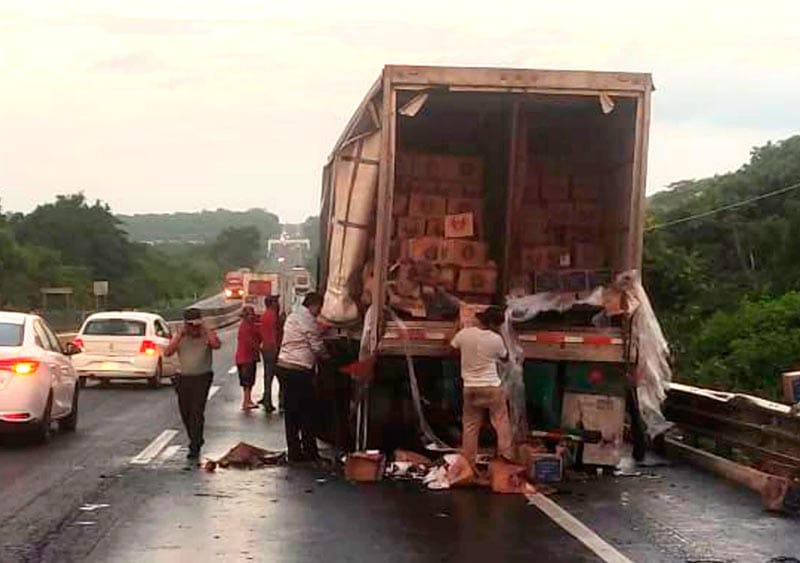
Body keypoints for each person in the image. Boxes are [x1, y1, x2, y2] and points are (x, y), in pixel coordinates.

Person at [450, 305, 514, 467]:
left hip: (470, 388)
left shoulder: (465, 334)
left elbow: (451, 349)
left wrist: (457, 328)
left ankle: (468, 465)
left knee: (470, 427)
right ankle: (505, 462)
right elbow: (505, 358)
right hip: (491, 387)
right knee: (501, 424)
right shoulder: (495, 339)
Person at [276, 292, 329, 463]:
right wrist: (329, 357)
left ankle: (294, 451)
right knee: (307, 411)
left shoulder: (294, 315)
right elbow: (317, 346)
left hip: (285, 366)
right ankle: (309, 451)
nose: (320, 311)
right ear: (314, 305)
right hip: (298, 370)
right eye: (319, 307)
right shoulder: (307, 319)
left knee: (292, 412)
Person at [165, 308, 221, 460]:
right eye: (191, 325)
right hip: (183, 377)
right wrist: (179, 336)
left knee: (196, 411)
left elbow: (216, 345)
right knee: (185, 412)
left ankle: (195, 445)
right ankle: (195, 438)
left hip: (202, 377)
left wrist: (206, 330)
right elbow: (168, 352)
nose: (194, 329)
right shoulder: (180, 336)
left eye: (196, 325)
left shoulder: (206, 335)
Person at [235, 305, 262, 410]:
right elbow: (250, 342)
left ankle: (248, 400)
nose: (253, 316)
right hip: (246, 357)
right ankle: (246, 401)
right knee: (247, 381)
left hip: (246, 357)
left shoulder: (249, 325)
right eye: (251, 314)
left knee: (249, 381)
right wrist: (260, 348)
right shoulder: (245, 327)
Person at [258, 296, 281, 412]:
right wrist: (276, 347)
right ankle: (277, 401)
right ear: (271, 303)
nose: (278, 303)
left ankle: (266, 397)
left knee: (268, 375)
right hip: (272, 349)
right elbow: (273, 333)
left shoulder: (265, 315)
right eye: (276, 302)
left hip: (266, 348)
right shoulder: (272, 316)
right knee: (279, 375)